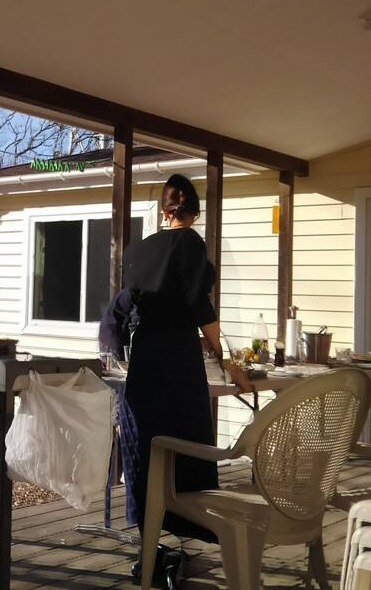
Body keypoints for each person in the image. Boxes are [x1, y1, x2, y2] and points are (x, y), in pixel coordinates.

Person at [112, 173, 252, 581]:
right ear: (192, 212)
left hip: (144, 359)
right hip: (176, 357)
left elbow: (129, 307)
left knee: (148, 447)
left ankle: (150, 536)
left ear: (163, 210)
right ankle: (189, 524)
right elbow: (197, 304)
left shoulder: (138, 250)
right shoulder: (190, 243)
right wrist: (225, 356)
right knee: (187, 444)